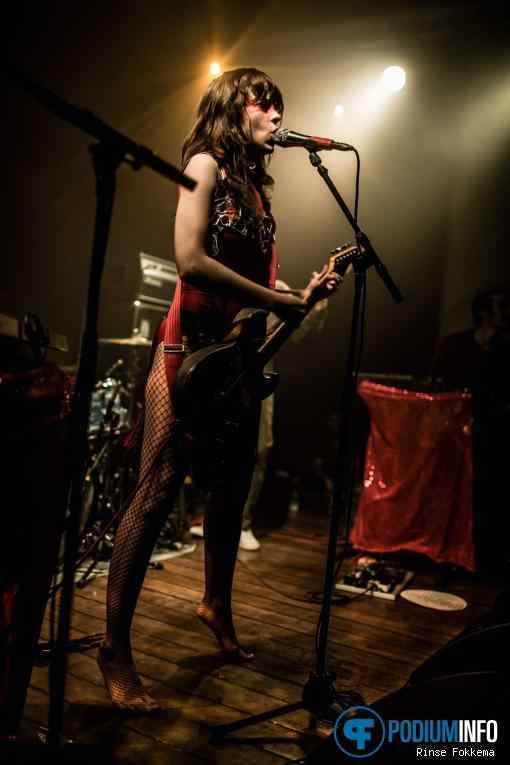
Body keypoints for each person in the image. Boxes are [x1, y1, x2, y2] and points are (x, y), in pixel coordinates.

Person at [97, 68, 341, 711]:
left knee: (231, 495)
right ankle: (113, 647)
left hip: (235, 363)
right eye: (265, 102)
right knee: (155, 493)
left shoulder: (258, 195)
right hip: (187, 351)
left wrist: (300, 296)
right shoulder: (203, 164)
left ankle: (216, 605)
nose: (277, 114)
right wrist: (277, 300)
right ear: (233, 109)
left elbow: (257, 293)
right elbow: (190, 260)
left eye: (280, 104)